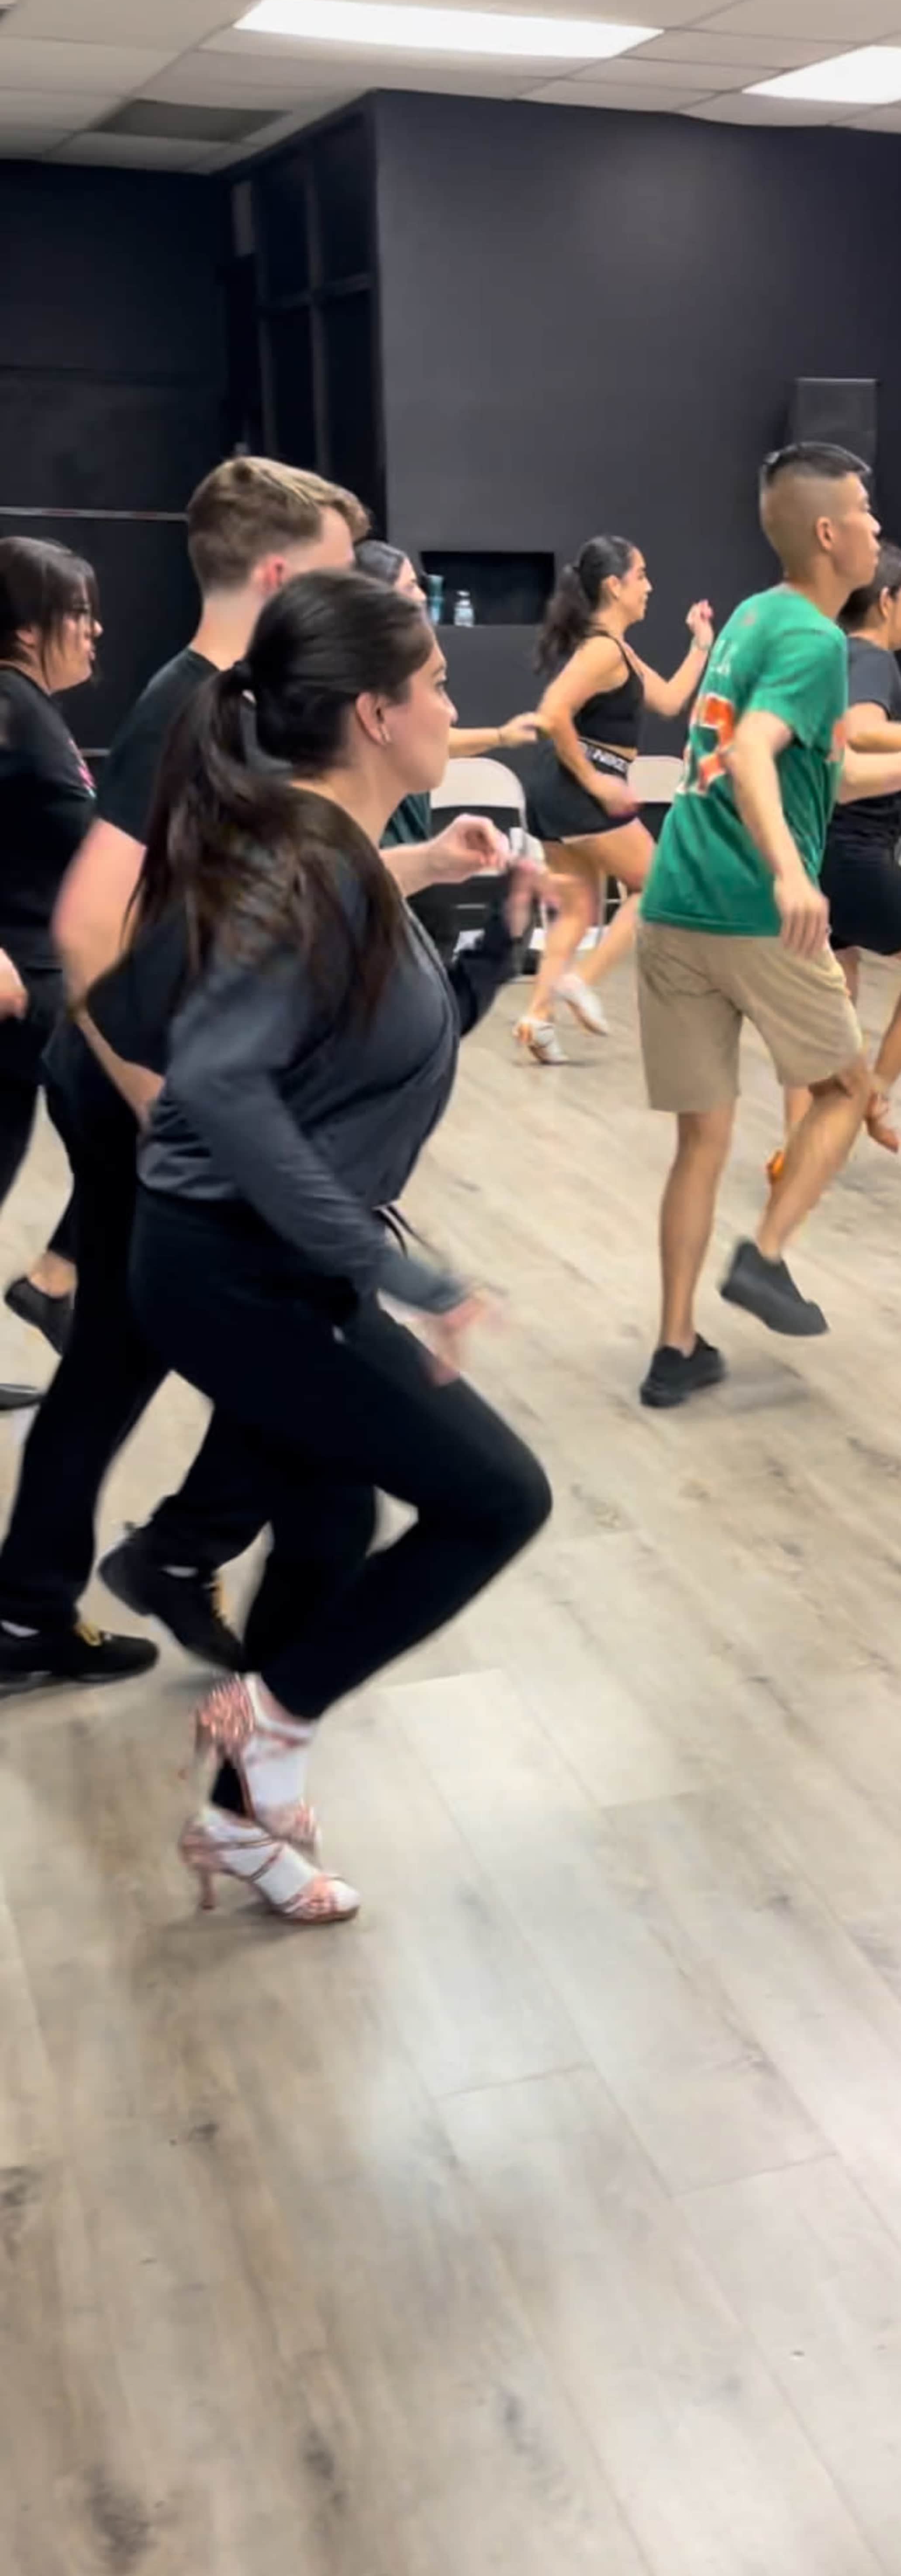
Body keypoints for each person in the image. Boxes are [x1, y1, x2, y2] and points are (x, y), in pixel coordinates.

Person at [0, 460, 511, 1698]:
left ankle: (167, 1595)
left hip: (182, 1101)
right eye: (344, 572)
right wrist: (167, 1103)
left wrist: (429, 872)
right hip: (146, 1093)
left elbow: (251, 912)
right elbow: (90, 925)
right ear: (283, 577)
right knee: (152, 1349)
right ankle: (86, 1598)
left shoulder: (237, 717)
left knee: (178, 1367)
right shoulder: (193, 706)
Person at [95, 569, 552, 1919]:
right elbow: (224, 1088)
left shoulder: (329, 852)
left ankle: (243, 1828)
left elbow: (355, 1057)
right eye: (440, 688)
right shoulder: (305, 869)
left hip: (258, 1261)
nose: (453, 707)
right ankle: (270, 1725)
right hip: (233, 1270)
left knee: (331, 1517)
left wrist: (488, 957)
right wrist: (409, 1274)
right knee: (496, 1497)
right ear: (375, 713)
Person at [634, 442, 901, 1409]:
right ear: (826, 533)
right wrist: (786, 874)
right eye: (865, 511)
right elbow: (760, 756)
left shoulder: (758, 618)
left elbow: (834, 772)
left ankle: (675, 1347)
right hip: (750, 911)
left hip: (673, 903)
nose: (877, 527)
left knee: (701, 1142)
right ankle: (764, 1255)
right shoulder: (812, 639)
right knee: (854, 1087)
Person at [767, 541, 901, 1180]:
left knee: (833, 999)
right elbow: (857, 732)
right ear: (885, 601)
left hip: (816, 851)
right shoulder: (869, 658)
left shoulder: (835, 656)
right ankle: (874, 1089)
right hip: (849, 853)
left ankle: (797, 1149)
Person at [515, 537, 714, 1060]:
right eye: (642, 575)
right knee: (660, 886)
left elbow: (670, 700)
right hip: (578, 786)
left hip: (554, 789)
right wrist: (595, 779)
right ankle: (580, 982)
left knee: (578, 910)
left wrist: (701, 646)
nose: (650, 586)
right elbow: (552, 711)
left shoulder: (615, 648)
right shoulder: (602, 650)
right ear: (615, 585)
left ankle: (538, 1018)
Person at [0, 537, 100, 1357]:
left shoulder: (32, 709)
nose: (95, 629)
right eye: (78, 612)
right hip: (23, 983)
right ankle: (55, 1277)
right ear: (29, 628)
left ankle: (55, 1277)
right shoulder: (6, 704)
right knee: (143, 1127)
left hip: (40, 978)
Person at [355, 540, 542, 852]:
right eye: (411, 586)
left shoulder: (406, 653)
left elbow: (431, 738)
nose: (422, 596)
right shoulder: (368, 667)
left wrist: (501, 736)